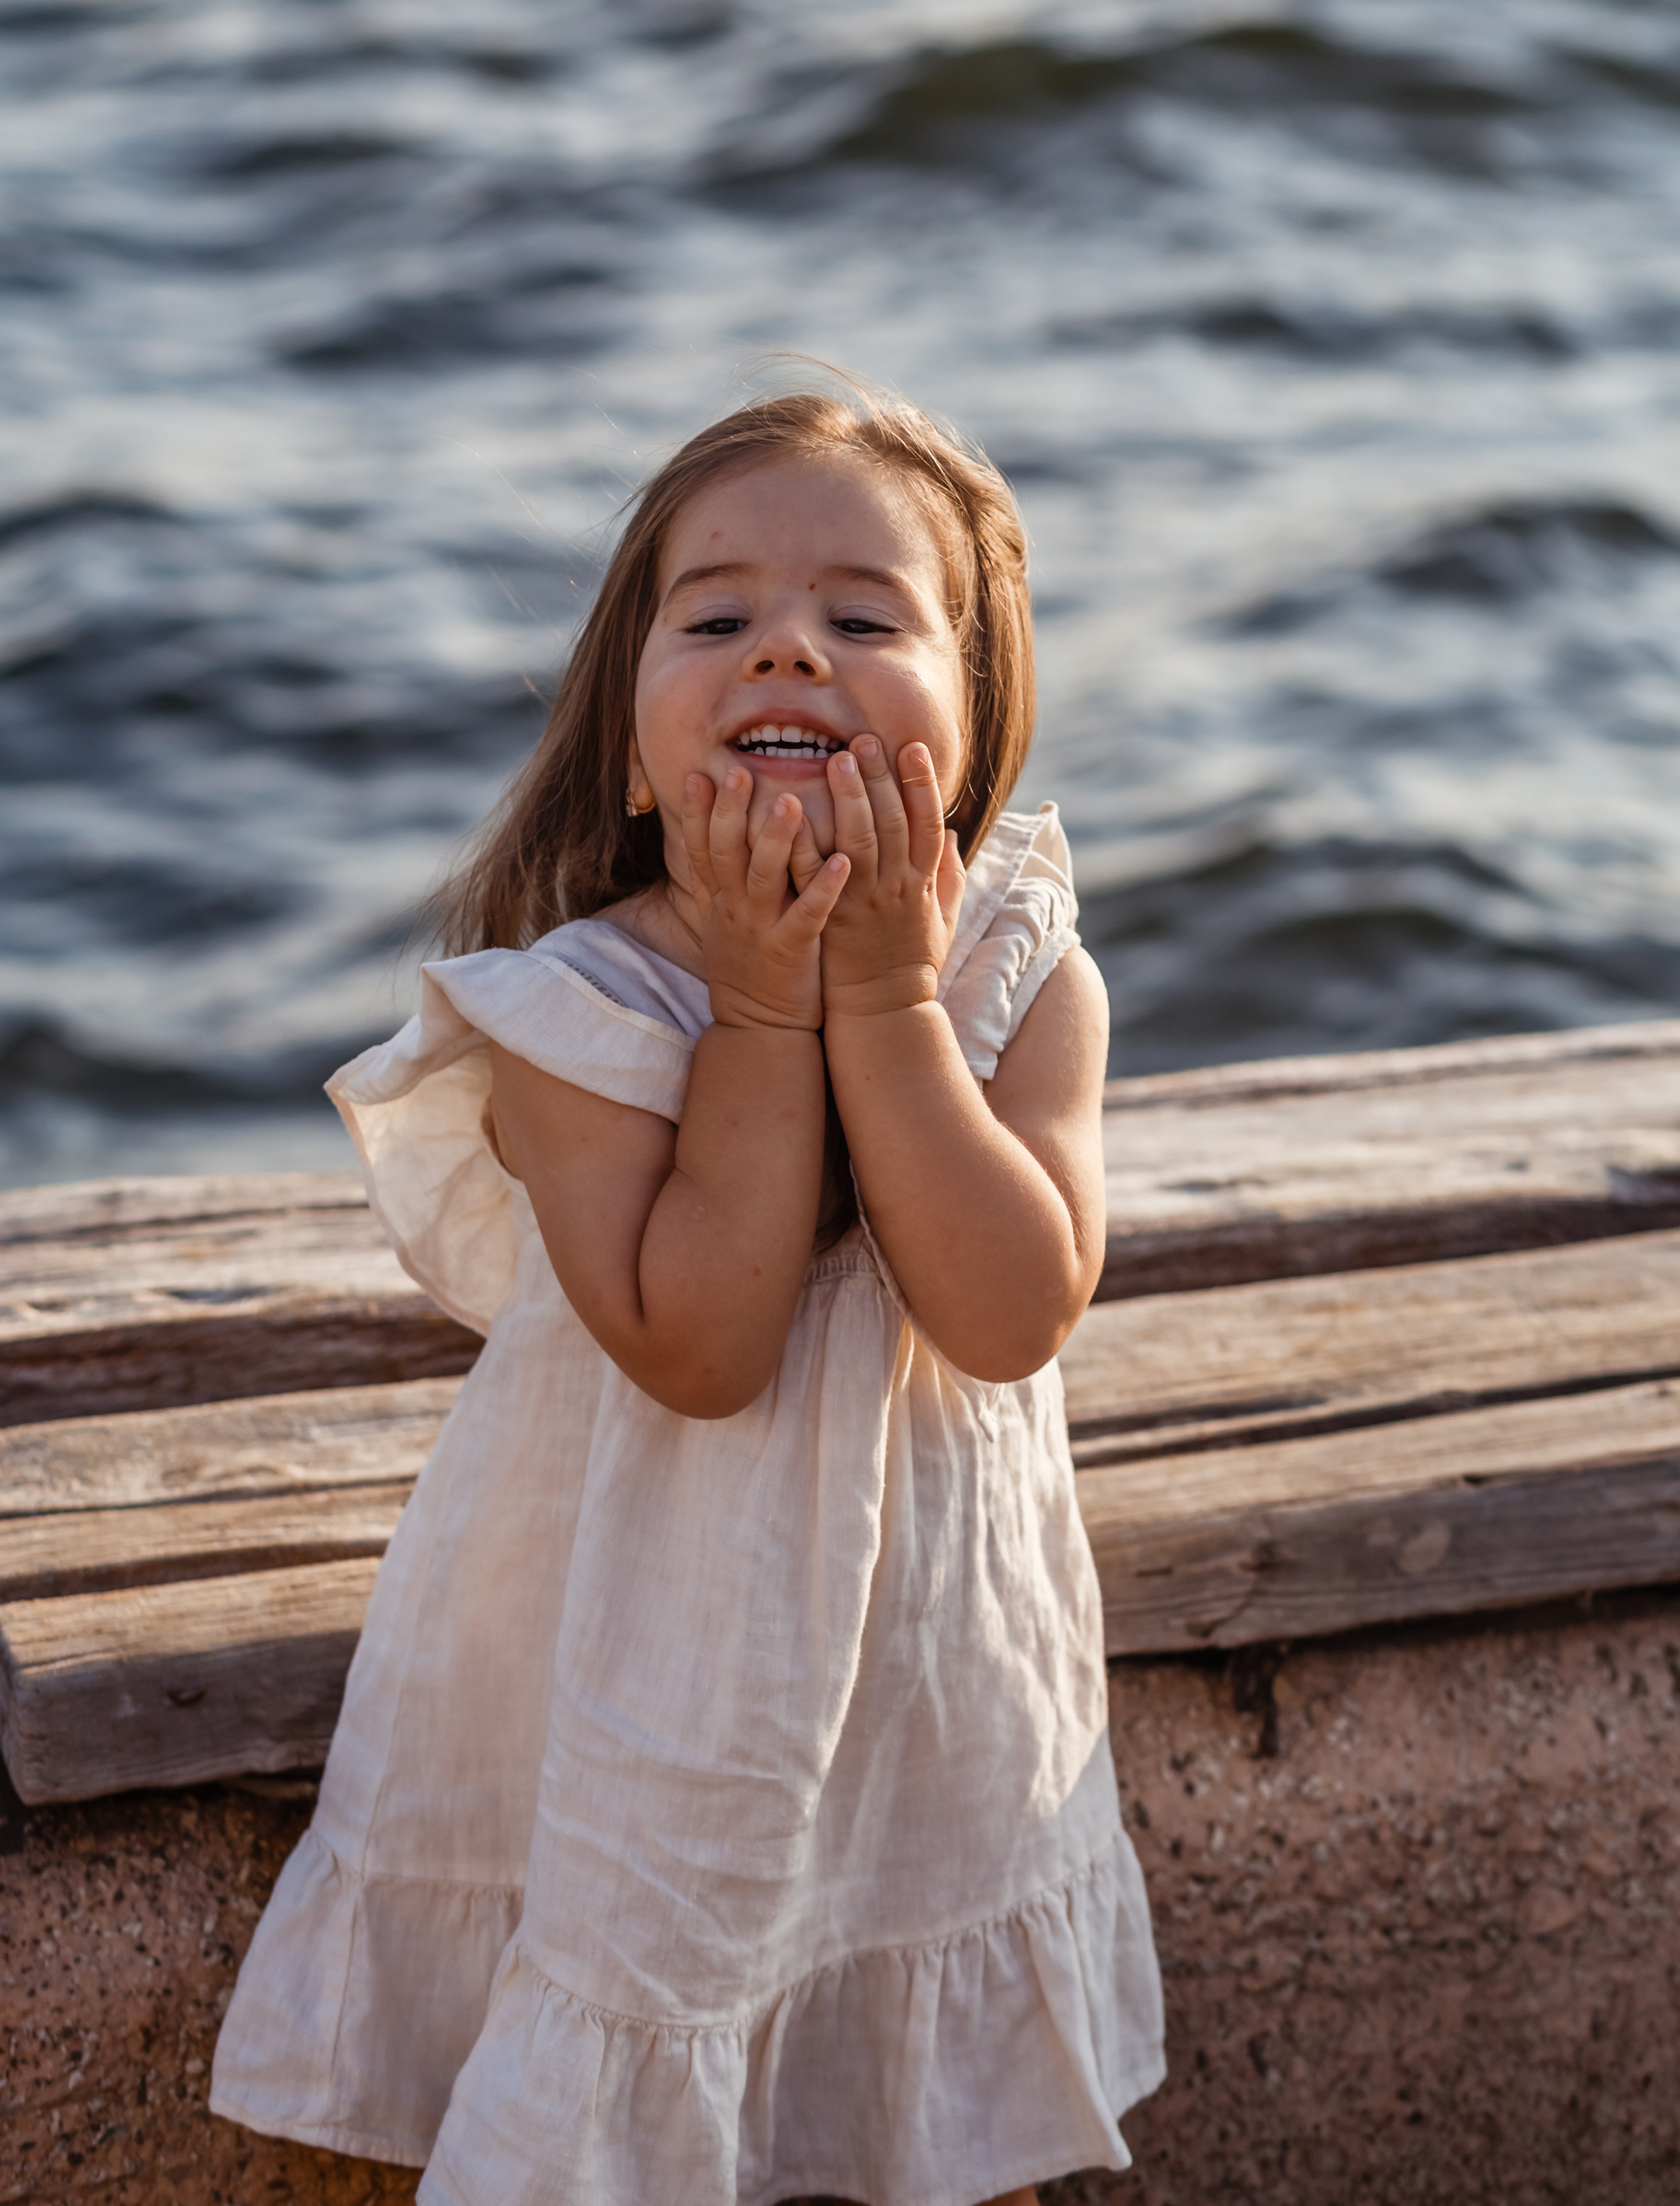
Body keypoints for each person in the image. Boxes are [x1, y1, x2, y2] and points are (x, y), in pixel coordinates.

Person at [210, 380, 1165, 2205]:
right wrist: (759, 1005)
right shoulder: (581, 1017)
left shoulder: (1022, 976)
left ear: (968, 741)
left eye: (865, 620)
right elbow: (702, 1349)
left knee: (937, 2132)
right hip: (662, 1664)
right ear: (636, 758)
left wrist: (884, 1001)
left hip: (937, 1687)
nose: (788, 648)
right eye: (714, 618)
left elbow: (1005, 1309)